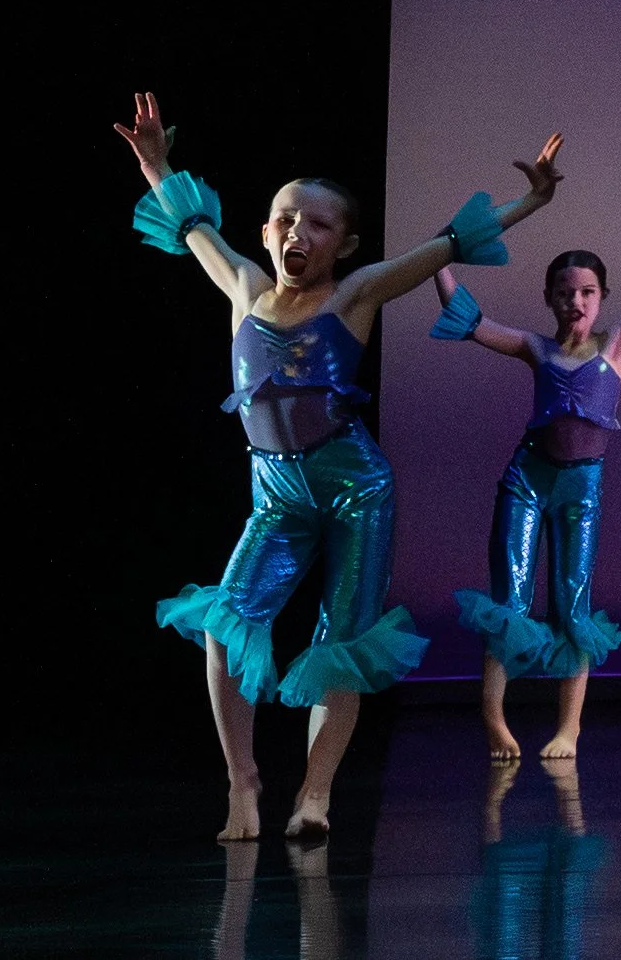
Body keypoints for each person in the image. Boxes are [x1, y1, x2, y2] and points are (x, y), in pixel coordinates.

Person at [115, 91, 562, 839]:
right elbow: (192, 227)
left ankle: (315, 796)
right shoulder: (244, 286)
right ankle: (244, 783)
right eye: (286, 218)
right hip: (276, 495)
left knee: (342, 642)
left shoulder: (354, 293)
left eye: (318, 224)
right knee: (226, 625)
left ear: (344, 245)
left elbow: (444, 246)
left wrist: (530, 201)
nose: (299, 231)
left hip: (354, 488)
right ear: (265, 231)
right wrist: (157, 165)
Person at [430, 189, 621, 760]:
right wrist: (440, 254)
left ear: (601, 298)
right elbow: (472, 321)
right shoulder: (535, 347)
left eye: (586, 292)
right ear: (550, 299)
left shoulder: (618, 344)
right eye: (564, 293)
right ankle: (494, 719)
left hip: (581, 488)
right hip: (527, 481)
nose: (575, 302)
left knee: (573, 601)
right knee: (510, 596)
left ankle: (568, 729)